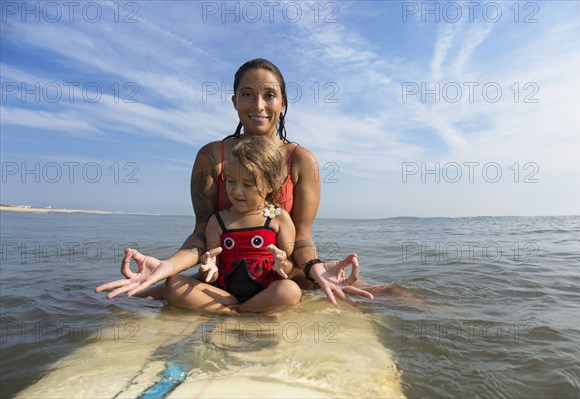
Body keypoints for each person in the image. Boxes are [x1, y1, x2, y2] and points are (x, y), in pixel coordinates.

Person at [96, 58, 373, 307]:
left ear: (283, 103)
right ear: (234, 102)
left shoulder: (301, 160)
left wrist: (314, 266)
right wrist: (168, 266)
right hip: (224, 275)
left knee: (385, 294)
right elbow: (202, 235)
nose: (259, 106)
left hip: (281, 275)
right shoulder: (211, 157)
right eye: (248, 95)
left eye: (270, 95)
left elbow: (301, 237)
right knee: (123, 298)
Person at [163, 136, 300, 314]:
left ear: (270, 185)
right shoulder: (218, 221)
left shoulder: (278, 218)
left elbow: (289, 270)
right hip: (226, 295)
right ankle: (233, 312)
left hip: (266, 294)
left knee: (290, 291)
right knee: (173, 284)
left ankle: (237, 311)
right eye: (231, 181)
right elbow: (213, 275)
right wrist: (208, 270)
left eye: (248, 184)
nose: (236, 191)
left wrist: (284, 265)